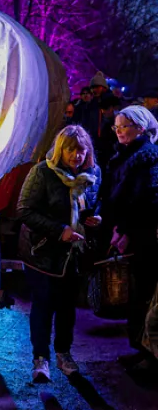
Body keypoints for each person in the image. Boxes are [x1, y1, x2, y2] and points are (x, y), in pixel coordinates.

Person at [17, 126, 101, 382]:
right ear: (60, 149)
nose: (76, 155)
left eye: (81, 149)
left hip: (74, 254)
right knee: (43, 305)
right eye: (70, 149)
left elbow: (94, 202)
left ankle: (64, 354)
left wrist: (94, 218)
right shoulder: (43, 173)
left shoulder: (92, 173)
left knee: (67, 307)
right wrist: (59, 230)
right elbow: (25, 210)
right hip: (43, 251)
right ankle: (40, 359)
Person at [101, 105, 158, 375]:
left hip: (144, 235)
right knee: (136, 294)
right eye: (117, 127)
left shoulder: (148, 156)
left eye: (125, 126)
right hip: (128, 231)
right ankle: (138, 349)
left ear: (141, 128)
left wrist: (125, 231)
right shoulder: (126, 154)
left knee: (145, 294)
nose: (120, 131)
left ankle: (150, 356)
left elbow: (146, 199)